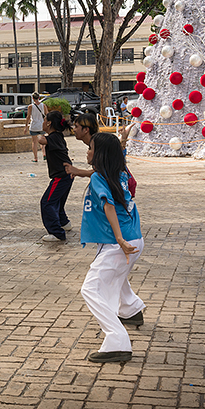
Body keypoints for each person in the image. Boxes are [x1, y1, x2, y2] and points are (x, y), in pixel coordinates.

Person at [78, 132, 145, 364]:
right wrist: (123, 140)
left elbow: (107, 205)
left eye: (91, 148)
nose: (87, 152)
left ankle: (117, 340)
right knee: (118, 277)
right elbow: (119, 153)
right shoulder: (120, 171)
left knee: (91, 290)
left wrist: (119, 240)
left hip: (121, 243)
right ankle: (131, 309)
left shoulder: (99, 177)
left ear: (101, 155)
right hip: (134, 239)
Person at [39, 110, 73, 242]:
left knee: (47, 202)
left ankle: (57, 232)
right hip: (67, 175)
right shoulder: (58, 136)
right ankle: (64, 223)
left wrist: (37, 133)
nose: (43, 123)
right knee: (57, 201)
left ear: (49, 123)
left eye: (44, 120)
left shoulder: (53, 137)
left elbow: (42, 140)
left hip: (61, 176)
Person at [27, 92, 46, 162]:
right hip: (41, 125)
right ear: (39, 98)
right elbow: (47, 115)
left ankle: (35, 158)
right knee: (43, 140)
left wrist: (26, 126)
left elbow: (28, 117)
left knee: (34, 142)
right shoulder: (43, 105)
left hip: (34, 126)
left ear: (32, 98)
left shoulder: (30, 106)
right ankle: (44, 154)